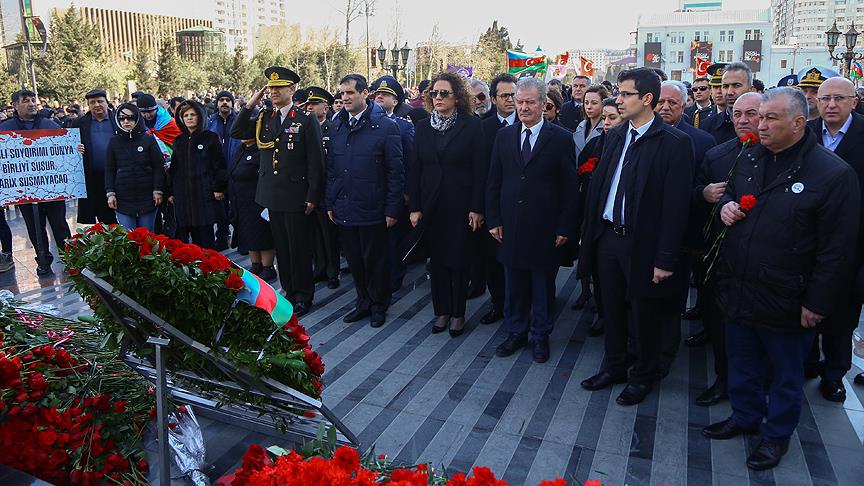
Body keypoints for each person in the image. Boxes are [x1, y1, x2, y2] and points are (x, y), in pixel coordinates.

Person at [702, 87, 860, 471]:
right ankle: (744, 416)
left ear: (799, 122)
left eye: (771, 118)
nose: (761, 124)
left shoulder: (832, 173)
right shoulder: (749, 158)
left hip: (789, 298)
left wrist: (818, 303)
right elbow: (730, 199)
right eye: (760, 116)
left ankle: (775, 437)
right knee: (742, 362)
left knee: (786, 377)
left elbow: (837, 251)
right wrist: (724, 208)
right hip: (740, 287)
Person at [578, 68, 694, 406]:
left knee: (644, 315)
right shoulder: (614, 136)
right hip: (608, 238)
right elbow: (599, 189)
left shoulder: (674, 143)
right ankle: (614, 365)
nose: (618, 100)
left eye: (626, 94)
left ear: (647, 99)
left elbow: (676, 208)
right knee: (610, 307)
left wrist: (665, 258)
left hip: (644, 244)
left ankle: (643, 374)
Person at [486, 77, 579, 363]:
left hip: (545, 228)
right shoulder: (504, 136)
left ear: (543, 103)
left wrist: (565, 227)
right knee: (514, 284)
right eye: (519, 101)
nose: (523, 107)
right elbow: (494, 181)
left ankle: (540, 336)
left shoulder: (561, 138)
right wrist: (493, 219)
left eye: (530, 102)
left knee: (542, 286)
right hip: (510, 226)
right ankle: (516, 332)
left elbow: (569, 188)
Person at [230, 67, 324, 316]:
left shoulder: (304, 119)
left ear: (291, 90)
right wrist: (250, 103)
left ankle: (304, 295)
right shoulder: (265, 117)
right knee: (282, 247)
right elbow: (237, 131)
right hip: (272, 195)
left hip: (296, 195)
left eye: (278, 88)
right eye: (270, 88)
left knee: (299, 249)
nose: (272, 92)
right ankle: (290, 292)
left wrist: (313, 195)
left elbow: (315, 160)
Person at [688, 92, 763, 407]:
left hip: (764, 265)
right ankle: (724, 379)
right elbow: (694, 193)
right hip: (721, 258)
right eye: (737, 113)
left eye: (752, 113)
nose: (743, 120)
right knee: (721, 326)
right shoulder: (717, 155)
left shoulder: (779, 156)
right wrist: (704, 194)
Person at [409, 71, 485, 337]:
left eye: (444, 93)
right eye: (434, 93)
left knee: (459, 260)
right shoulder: (422, 126)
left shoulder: (472, 125)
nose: (438, 98)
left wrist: (477, 208)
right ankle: (441, 311)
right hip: (431, 207)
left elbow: (479, 171)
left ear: (457, 97)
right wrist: (415, 207)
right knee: (437, 261)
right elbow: (415, 169)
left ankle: (458, 313)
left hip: (461, 206)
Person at [326, 74, 403, 328]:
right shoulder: (336, 125)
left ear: (364, 94)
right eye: (342, 93)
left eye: (350, 93)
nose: (345, 98)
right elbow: (332, 168)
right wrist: (330, 202)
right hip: (344, 206)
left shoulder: (385, 126)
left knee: (376, 261)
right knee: (355, 261)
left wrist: (392, 208)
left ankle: (379, 305)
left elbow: (395, 171)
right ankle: (363, 302)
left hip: (373, 207)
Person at [805, 77, 864, 402]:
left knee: (840, 315)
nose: (829, 104)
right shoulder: (808, 133)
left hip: (851, 241)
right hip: (809, 238)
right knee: (806, 307)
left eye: (839, 98)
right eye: (824, 98)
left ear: (853, 101)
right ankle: (809, 363)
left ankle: (834, 374)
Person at [655, 80, 717, 375]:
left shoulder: (702, 141)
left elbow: (703, 186)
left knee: (672, 297)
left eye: (673, 103)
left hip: (683, 234)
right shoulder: (638, 135)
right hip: (644, 232)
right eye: (660, 102)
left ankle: (666, 350)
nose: (665, 108)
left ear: (685, 105)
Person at [0, 89, 71, 276]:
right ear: (15, 105)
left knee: (59, 224)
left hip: (52, 187)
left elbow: (65, 150)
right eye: (26, 101)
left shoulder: (50, 124)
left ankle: (71, 258)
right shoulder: (5, 128)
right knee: (34, 226)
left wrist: (75, 148)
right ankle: (43, 260)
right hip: (25, 189)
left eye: (33, 100)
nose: (32, 104)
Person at [476, 73, 519, 325]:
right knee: (493, 261)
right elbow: (480, 172)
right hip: (493, 206)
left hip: (520, 206)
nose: (511, 100)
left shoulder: (528, 123)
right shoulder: (483, 127)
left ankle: (522, 307)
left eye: (514, 94)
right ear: (494, 99)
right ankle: (499, 303)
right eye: (505, 95)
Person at [371, 76, 415, 293]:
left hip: (394, 192)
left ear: (396, 102)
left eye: (386, 94)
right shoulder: (367, 123)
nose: (380, 96)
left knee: (393, 240)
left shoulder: (404, 127)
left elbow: (409, 160)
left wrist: (407, 191)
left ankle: (394, 278)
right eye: (378, 93)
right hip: (371, 192)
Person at [168, 100, 227, 248]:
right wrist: (170, 191)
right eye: (185, 115)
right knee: (183, 239)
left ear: (200, 116)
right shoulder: (179, 140)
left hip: (204, 193)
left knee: (205, 237)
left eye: (193, 114)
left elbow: (219, 165)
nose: (189, 118)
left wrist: (218, 187)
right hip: (183, 196)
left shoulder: (210, 137)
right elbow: (174, 168)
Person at [228, 112, 277, 281]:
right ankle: (255, 264)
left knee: (262, 235)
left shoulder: (262, 150)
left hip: (258, 200)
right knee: (248, 234)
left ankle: (267, 267)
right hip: (242, 200)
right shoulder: (241, 149)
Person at [104, 103, 165, 231]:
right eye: (122, 118)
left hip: (147, 196)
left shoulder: (148, 139)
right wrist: (110, 193)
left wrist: (157, 190)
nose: (126, 121)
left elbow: (158, 166)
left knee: (147, 236)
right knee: (128, 238)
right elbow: (109, 169)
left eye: (130, 117)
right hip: (123, 198)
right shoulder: (114, 142)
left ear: (137, 118)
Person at [305, 86, 340, 289]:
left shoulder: (332, 129)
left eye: (314, 104)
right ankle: (319, 269)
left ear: (325, 108)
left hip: (328, 189)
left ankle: (332, 272)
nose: (309, 107)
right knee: (315, 234)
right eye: (308, 104)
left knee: (329, 235)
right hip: (311, 190)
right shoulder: (305, 128)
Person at [73, 89, 118, 226]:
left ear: (107, 103)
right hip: (93, 177)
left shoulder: (118, 119)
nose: (96, 105)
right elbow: (70, 148)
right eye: (92, 102)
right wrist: (76, 149)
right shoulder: (79, 123)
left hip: (119, 175)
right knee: (103, 216)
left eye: (100, 101)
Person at [207, 90, 242, 250]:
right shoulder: (211, 122)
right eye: (221, 100)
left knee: (237, 209)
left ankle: (241, 239)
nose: (225, 103)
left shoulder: (239, 120)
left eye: (228, 100)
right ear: (217, 103)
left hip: (236, 171)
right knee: (220, 211)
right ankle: (222, 237)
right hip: (218, 173)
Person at [700, 62, 753, 144]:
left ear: (751, 89)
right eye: (725, 86)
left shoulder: (764, 123)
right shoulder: (707, 126)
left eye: (737, 85)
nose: (729, 92)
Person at [573, 85, 609, 163]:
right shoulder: (580, 126)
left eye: (594, 103)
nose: (589, 107)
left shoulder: (607, 127)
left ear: (603, 104)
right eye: (586, 103)